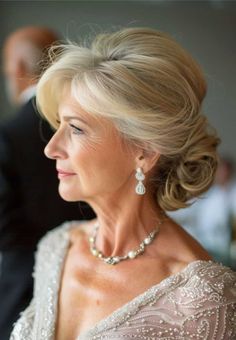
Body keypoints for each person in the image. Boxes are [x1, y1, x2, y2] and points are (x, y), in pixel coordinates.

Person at [10, 27, 236, 339]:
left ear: (143, 150)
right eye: (58, 125)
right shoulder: (57, 247)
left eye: (75, 128)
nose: (51, 148)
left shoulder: (202, 298)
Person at [0, 26, 95, 340]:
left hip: (21, 289)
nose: (54, 148)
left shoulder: (7, 135)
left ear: (18, 68)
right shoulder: (90, 123)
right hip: (93, 276)